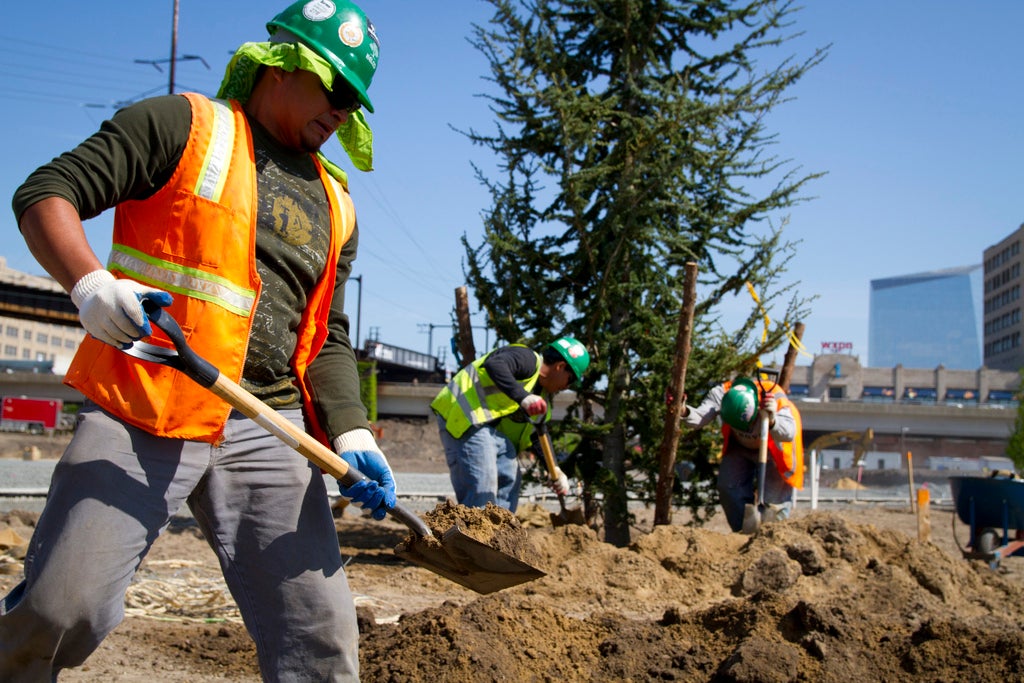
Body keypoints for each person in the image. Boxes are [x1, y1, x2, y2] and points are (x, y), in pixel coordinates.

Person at [0, 2, 390, 680]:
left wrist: (352, 432)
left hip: (269, 424)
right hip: (147, 400)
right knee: (65, 611)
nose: (345, 111)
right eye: (336, 88)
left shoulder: (337, 203)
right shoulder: (185, 126)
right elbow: (45, 192)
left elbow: (324, 335)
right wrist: (90, 285)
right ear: (283, 64)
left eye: (357, 101)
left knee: (323, 642)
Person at [431, 337, 590, 511]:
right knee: (484, 486)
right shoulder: (527, 359)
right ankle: (472, 535)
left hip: (490, 432)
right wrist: (523, 397)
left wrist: (556, 471)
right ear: (560, 367)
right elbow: (495, 364)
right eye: (570, 380)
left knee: (510, 480)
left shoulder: (542, 399)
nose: (566, 387)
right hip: (464, 418)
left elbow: (538, 435)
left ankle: (501, 535)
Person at [681, 374, 804, 532]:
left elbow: (788, 433)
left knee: (773, 504)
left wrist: (773, 419)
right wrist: (683, 410)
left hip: (774, 447)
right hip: (739, 446)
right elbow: (699, 418)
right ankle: (744, 532)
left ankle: (773, 535)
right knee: (729, 487)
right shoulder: (722, 394)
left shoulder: (775, 397)